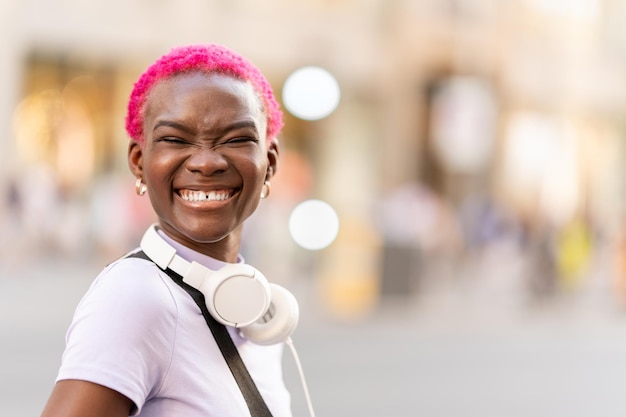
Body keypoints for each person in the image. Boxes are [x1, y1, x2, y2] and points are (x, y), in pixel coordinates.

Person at [41, 44, 297, 417]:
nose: (207, 162)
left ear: (269, 164)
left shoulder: (256, 315)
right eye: (175, 140)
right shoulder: (135, 298)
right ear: (139, 162)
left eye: (236, 139)